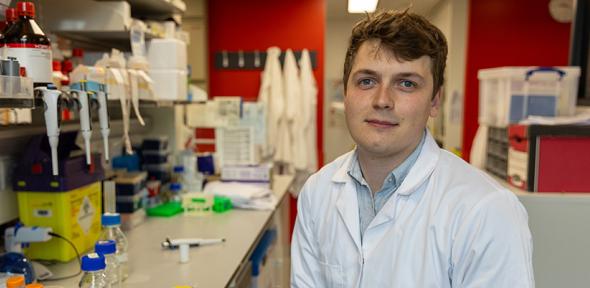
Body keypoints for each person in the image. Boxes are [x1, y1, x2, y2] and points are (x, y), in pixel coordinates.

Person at [291, 9, 534, 287]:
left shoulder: (486, 210)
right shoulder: (317, 192)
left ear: (434, 101)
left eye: (406, 83)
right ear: (346, 93)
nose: (382, 100)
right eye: (367, 81)